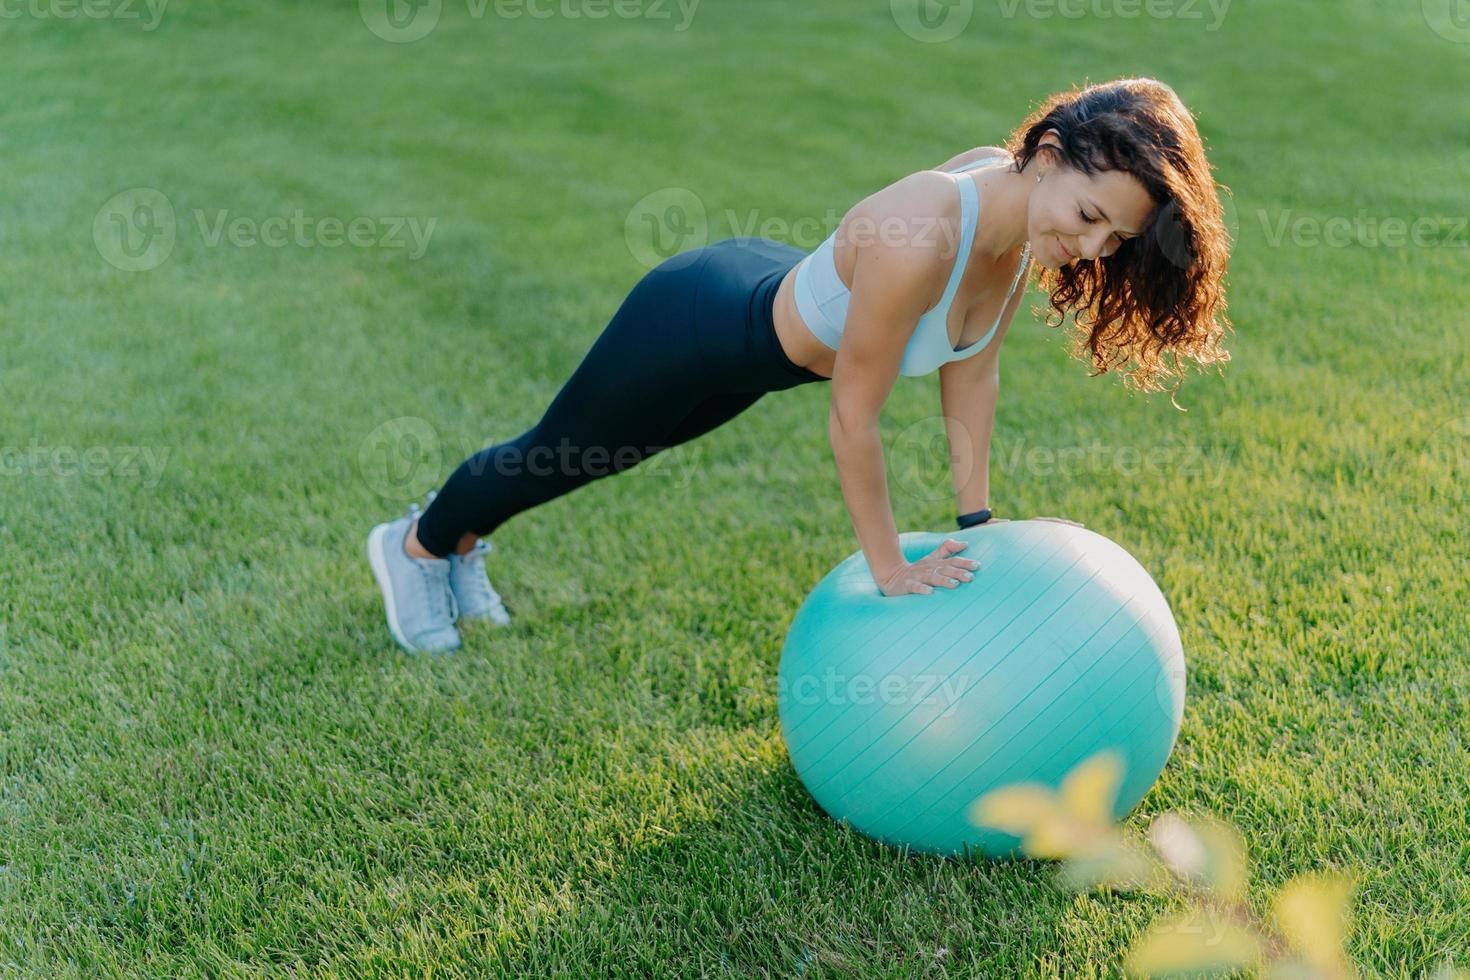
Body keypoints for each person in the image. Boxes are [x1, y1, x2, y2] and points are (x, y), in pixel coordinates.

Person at [367, 76, 1233, 654]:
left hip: (759, 345)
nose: (1089, 247)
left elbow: (970, 371)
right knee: (559, 453)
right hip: (699, 323)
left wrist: (978, 522)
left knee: (607, 456)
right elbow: (854, 418)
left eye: (1112, 239)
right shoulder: (924, 232)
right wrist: (890, 567)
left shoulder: (1022, 235)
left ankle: (458, 544)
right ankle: (416, 546)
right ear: (1047, 155)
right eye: (1087, 215)